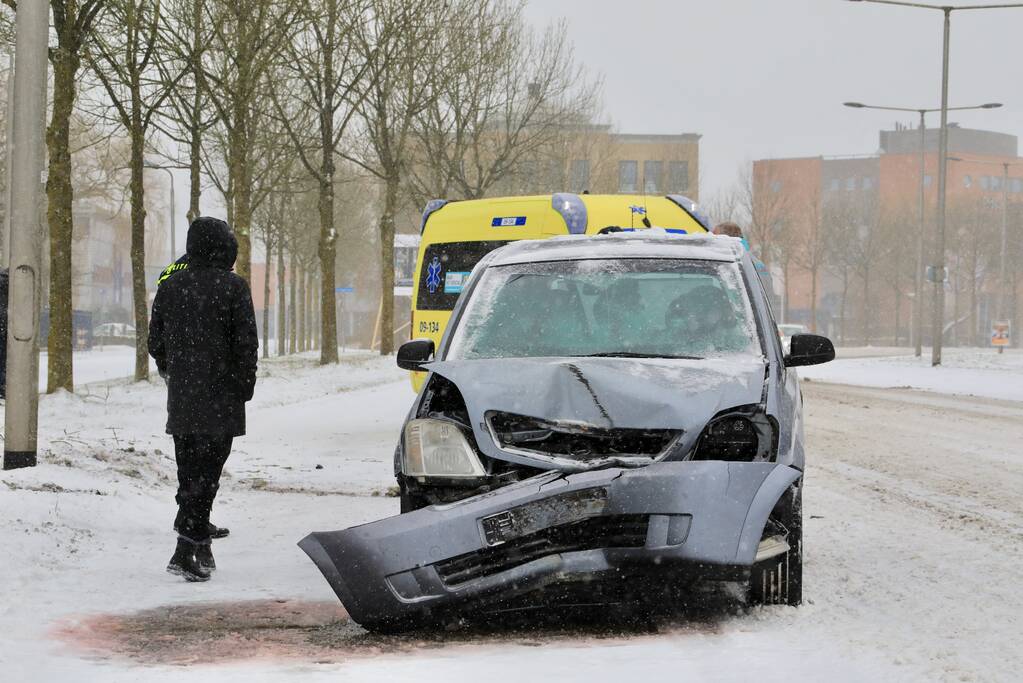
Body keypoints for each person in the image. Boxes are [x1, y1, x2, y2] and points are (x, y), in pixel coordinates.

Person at [149, 217, 258, 582]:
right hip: (221, 397)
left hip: (183, 397)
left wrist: (174, 371)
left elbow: (155, 342)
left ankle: (197, 545)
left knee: (189, 473)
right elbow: (246, 344)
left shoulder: (171, 286)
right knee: (207, 475)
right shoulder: (233, 287)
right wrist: (244, 386)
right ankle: (186, 547)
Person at [712, 221, 775, 300]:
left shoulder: (732, 263)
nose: (712, 240)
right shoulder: (757, 264)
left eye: (715, 238)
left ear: (727, 239)